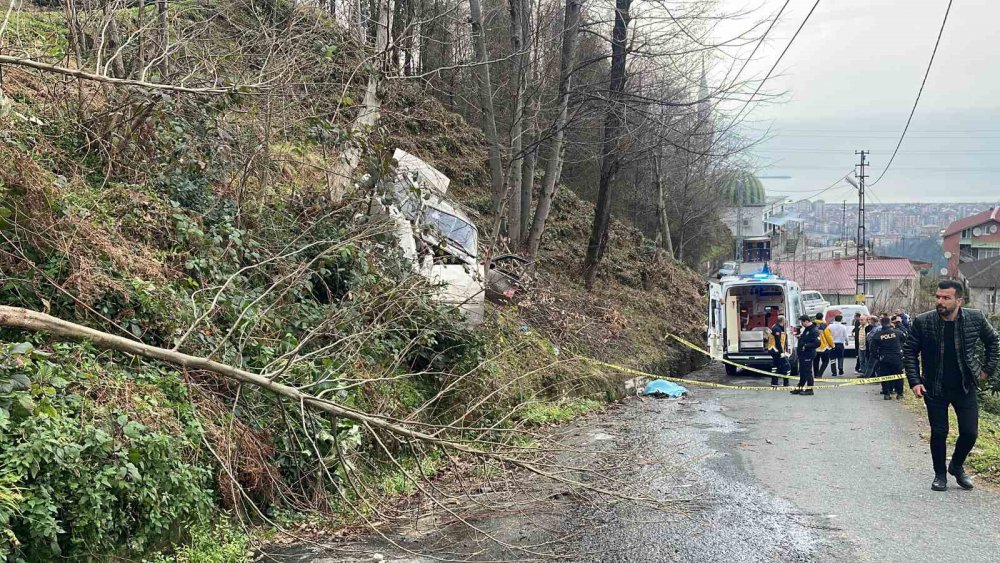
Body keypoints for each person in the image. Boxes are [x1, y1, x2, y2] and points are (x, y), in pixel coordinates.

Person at [904, 280, 1000, 492]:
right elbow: (910, 351)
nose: (940, 301)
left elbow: (994, 342)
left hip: (965, 385)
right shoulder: (923, 321)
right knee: (939, 432)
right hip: (934, 386)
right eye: (938, 297)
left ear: (959, 300)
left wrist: (986, 370)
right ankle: (939, 475)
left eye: (946, 298)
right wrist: (915, 381)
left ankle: (956, 466)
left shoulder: (975, 318)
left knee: (970, 432)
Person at [870, 316, 907, 400]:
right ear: (890, 323)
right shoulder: (898, 332)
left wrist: (877, 356)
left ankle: (886, 393)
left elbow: (872, 348)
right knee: (898, 376)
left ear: (881, 323)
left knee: (885, 376)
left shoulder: (877, 335)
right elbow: (905, 341)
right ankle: (900, 393)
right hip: (897, 357)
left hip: (884, 358)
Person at [791, 315, 820, 396]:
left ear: (806, 321)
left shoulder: (814, 330)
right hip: (803, 354)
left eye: (802, 322)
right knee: (802, 371)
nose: (801, 324)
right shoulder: (807, 329)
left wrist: (805, 345)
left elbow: (817, 343)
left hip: (808, 354)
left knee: (807, 372)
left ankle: (810, 389)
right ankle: (800, 387)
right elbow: (806, 338)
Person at [767, 316, 791, 387]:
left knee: (775, 366)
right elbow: (778, 342)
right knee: (787, 366)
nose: (786, 321)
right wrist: (781, 353)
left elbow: (782, 341)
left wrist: (784, 350)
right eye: (785, 320)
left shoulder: (777, 327)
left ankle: (774, 382)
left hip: (775, 350)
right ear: (782, 321)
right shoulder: (777, 329)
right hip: (776, 350)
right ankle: (786, 383)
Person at [812, 312, 834, 378]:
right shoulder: (824, 326)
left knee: (815, 361)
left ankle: (815, 374)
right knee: (825, 361)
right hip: (823, 347)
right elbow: (828, 337)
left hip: (814, 347)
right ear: (822, 318)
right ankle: (819, 374)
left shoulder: (812, 325)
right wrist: (832, 345)